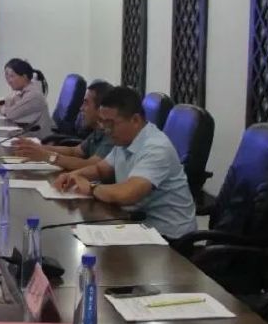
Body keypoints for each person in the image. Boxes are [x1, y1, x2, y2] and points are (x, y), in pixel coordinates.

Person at [52, 86, 197, 239]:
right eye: (103, 123)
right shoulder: (124, 140)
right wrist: (73, 176)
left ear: (135, 120)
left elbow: (128, 193)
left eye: (110, 123)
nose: (106, 130)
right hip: (137, 224)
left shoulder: (156, 148)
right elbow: (100, 170)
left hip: (169, 237)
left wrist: (91, 188)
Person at [12, 81, 115, 171]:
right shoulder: (98, 131)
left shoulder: (112, 136)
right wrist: (38, 148)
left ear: (101, 109)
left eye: (86, 103)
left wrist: (47, 156)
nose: (81, 108)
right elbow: (75, 151)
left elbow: (90, 165)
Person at [0, 58, 54, 139]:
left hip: (39, 140)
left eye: (12, 76)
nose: (9, 81)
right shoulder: (21, 90)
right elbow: (7, 101)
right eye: (7, 77)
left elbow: (11, 113)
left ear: (24, 77)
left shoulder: (34, 95)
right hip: (24, 133)